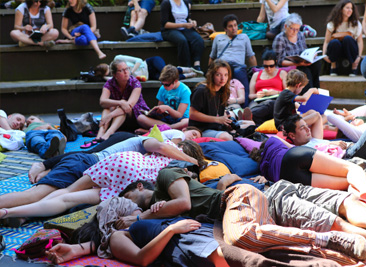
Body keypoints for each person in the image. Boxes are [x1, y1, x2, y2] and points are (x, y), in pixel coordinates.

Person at [115, 168, 366, 264]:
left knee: (240, 236)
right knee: (343, 223)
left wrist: (142, 216)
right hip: (260, 200)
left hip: (247, 198)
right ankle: (346, 246)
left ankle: (326, 239)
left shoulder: (165, 178)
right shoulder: (157, 213)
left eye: (127, 200)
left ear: (139, 186)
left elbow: (184, 203)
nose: (130, 210)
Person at [0, 139, 202, 221]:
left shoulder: (170, 147)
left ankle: (18, 210)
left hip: (122, 163)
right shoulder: (183, 168)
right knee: (67, 201)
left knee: (67, 193)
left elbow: (155, 145)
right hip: (135, 183)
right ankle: (9, 212)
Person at [45, 197, 228, 267]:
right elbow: (142, 259)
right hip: (191, 242)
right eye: (133, 210)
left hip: (205, 230)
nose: (138, 212)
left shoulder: (143, 220)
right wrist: (171, 230)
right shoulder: (118, 235)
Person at [286, 110, 366, 182]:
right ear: (292, 135)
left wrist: (299, 121)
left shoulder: (314, 138)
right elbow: (275, 140)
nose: (307, 129)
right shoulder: (297, 152)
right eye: (302, 128)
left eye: (307, 126)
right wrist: (331, 144)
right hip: (350, 156)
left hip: (361, 150)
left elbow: (316, 116)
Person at [86, 59, 149, 146]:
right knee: (108, 107)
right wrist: (120, 102)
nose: (126, 72)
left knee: (123, 107)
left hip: (135, 116)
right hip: (118, 119)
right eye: (121, 70)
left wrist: (110, 115)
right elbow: (102, 101)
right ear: (115, 74)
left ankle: (108, 133)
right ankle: (100, 133)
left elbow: (129, 106)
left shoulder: (135, 83)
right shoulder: (109, 83)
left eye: (127, 69)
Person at [209, 14, 257, 106]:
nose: (234, 28)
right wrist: (209, 71)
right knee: (220, 75)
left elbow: (251, 56)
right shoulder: (218, 38)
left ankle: (245, 108)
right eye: (230, 26)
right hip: (222, 65)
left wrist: (255, 72)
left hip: (238, 66)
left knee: (240, 73)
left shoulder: (244, 37)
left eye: (235, 25)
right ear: (225, 29)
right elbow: (212, 57)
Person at [273, 13, 321, 94]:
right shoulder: (280, 39)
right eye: (292, 29)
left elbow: (304, 51)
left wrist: (311, 56)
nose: (295, 32)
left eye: (297, 29)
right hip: (289, 66)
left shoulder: (300, 35)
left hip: (301, 62)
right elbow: (279, 61)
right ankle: (308, 95)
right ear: (285, 26)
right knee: (305, 71)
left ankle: (317, 91)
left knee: (317, 64)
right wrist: (298, 63)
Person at [189, 60, 233, 141]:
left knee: (249, 125)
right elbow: (192, 114)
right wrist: (217, 119)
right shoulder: (201, 91)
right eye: (218, 75)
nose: (223, 78)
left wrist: (226, 121)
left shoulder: (224, 91)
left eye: (226, 75)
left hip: (217, 127)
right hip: (201, 129)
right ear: (212, 75)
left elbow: (218, 112)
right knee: (226, 137)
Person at [137, 65, 191, 130]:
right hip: (166, 120)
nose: (164, 86)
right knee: (140, 118)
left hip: (179, 120)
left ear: (175, 81)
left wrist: (167, 108)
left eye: (167, 85)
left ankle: (164, 129)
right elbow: (160, 105)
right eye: (162, 84)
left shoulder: (185, 90)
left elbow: (179, 115)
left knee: (187, 122)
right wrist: (154, 113)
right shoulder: (162, 88)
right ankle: (167, 129)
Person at [273, 69, 324, 138]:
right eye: (302, 88)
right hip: (285, 126)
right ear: (298, 85)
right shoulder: (286, 94)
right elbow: (304, 98)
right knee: (317, 116)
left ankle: (313, 134)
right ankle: (317, 142)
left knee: (312, 112)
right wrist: (311, 90)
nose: (301, 91)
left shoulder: (287, 94)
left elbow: (298, 105)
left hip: (290, 121)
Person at [159, 0, 204, 70]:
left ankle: (197, 65)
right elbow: (165, 24)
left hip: (185, 28)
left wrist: (192, 22)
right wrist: (183, 25)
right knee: (182, 40)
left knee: (198, 39)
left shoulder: (185, 2)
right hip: (169, 30)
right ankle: (185, 67)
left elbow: (187, 18)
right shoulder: (166, 3)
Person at [322, 0, 363, 76]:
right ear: (341, 9)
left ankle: (354, 67)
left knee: (348, 38)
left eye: (351, 8)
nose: (350, 10)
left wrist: (359, 56)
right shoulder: (332, 23)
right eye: (347, 8)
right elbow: (327, 41)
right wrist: (324, 54)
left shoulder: (356, 23)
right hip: (337, 50)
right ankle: (333, 66)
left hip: (350, 49)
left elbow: (360, 41)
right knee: (334, 42)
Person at [248, 50, 287, 115]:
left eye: (271, 66)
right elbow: (250, 95)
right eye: (266, 66)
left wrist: (276, 92)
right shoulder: (256, 75)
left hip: (275, 99)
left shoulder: (282, 73)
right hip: (259, 100)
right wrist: (257, 95)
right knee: (252, 107)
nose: (269, 69)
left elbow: (288, 92)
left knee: (269, 104)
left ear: (276, 62)